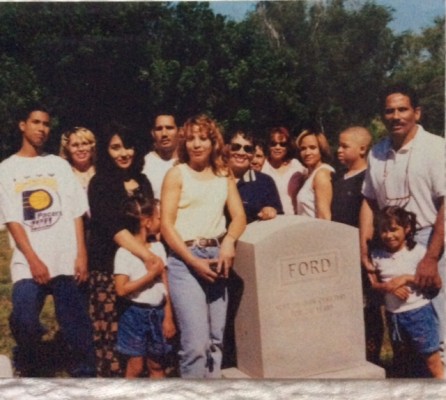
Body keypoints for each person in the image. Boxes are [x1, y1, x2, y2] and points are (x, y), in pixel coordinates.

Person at [0, 104, 95, 377]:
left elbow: (76, 211)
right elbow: (12, 220)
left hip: (65, 258)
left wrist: (81, 254)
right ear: (22, 125)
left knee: (76, 327)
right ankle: (30, 366)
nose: (42, 129)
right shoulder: (6, 169)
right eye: (36, 122)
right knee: (25, 319)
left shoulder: (58, 165)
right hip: (29, 261)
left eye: (46, 124)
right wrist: (33, 260)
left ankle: (85, 378)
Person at [360, 84, 445, 365]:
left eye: (402, 109)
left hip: (430, 239)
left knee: (437, 328)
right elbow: (369, 202)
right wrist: (365, 251)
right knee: (402, 329)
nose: (396, 116)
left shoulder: (435, 147)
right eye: (389, 111)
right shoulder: (376, 153)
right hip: (389, 244)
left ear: (416, 113)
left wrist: (431, 257)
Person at [161, 114, 246, 378]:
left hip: (217, 258)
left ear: (213, 142)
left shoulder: (224, 175)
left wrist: (229, 242)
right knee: (196, 345)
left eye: (203, 138)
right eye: (191, 139)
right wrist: (191, 260)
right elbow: (166, 225)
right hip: (186, 261)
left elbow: (239, 216)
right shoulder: (177, 174)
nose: (196, 144)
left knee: (215, 340)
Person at [88, 121, 163, 377]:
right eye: (115, 148)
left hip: (144, 269)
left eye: (128, 146)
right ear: (106, 151)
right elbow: (115, 229)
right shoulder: (100, 183)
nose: (123, 153)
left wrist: (153, 255)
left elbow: (151, 222)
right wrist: (148, 256)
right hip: (110, 271)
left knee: (144, 335)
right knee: (113, 336)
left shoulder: (142, 180)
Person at [370, 206, 443, 379]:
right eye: (384, 231)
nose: (389, 235)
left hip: (418, 314)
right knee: (406, 362)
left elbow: (435, 285)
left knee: (432, 361)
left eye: (394, 229)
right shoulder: (377, 255)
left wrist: (405, 279)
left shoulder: (417, 252)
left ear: (407, 228)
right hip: (394, 317)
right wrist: (388, 287)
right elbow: (374, 285)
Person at [331, 126, 381, 365]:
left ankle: (372, 358)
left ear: (362, 149)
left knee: (368, 309)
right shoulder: (338, 178)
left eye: (344, 146)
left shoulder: (368, 179)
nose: (338, 150)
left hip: (361, 254)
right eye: (338, 145)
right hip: (340, 256)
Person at [114, 196, 176, 378]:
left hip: (159, 313)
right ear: (147, 223)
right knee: (136, 366)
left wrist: (169, 316)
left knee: (157, 365)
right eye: (158, 218)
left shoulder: (158, 248)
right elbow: (121, 289)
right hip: (134, 315)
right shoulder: (124, 253)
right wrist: (150, 275)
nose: (161, 222)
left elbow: (165, 284)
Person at [228, 131, 283, 223]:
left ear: (253, 153)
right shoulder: (215, 177)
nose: (241, 153)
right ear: (227, 149)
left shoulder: (265, 182)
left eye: (247, 149)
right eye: (236, 147)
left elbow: (278, 216)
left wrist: (271, 210)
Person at [261, 127, 306, 215]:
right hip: (273, 219)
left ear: (288, 146)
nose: (278, 147)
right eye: (273, 144)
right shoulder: (263, 166)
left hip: (295, 218)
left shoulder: (296, 165)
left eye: (282, 144)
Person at [295, 130, 334, 219]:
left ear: (321, 149)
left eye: (312, 147)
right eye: (303, 148)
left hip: (315, 231)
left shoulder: (321, 174)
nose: (307, 153)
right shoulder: (309, 175)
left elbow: (324, 217)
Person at [142, 114, 180, 200]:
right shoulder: (144, 164)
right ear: (153, 133)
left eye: (169, 128)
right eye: (159, 129)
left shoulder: (190, 162)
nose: (164, 134)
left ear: (179, 131)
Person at [59, 126, 97, 192]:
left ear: (92, 146)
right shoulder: (63, 174)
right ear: (67, 148)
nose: (81, 149)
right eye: (75, 145)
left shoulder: (101, 170)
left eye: (85, 144)